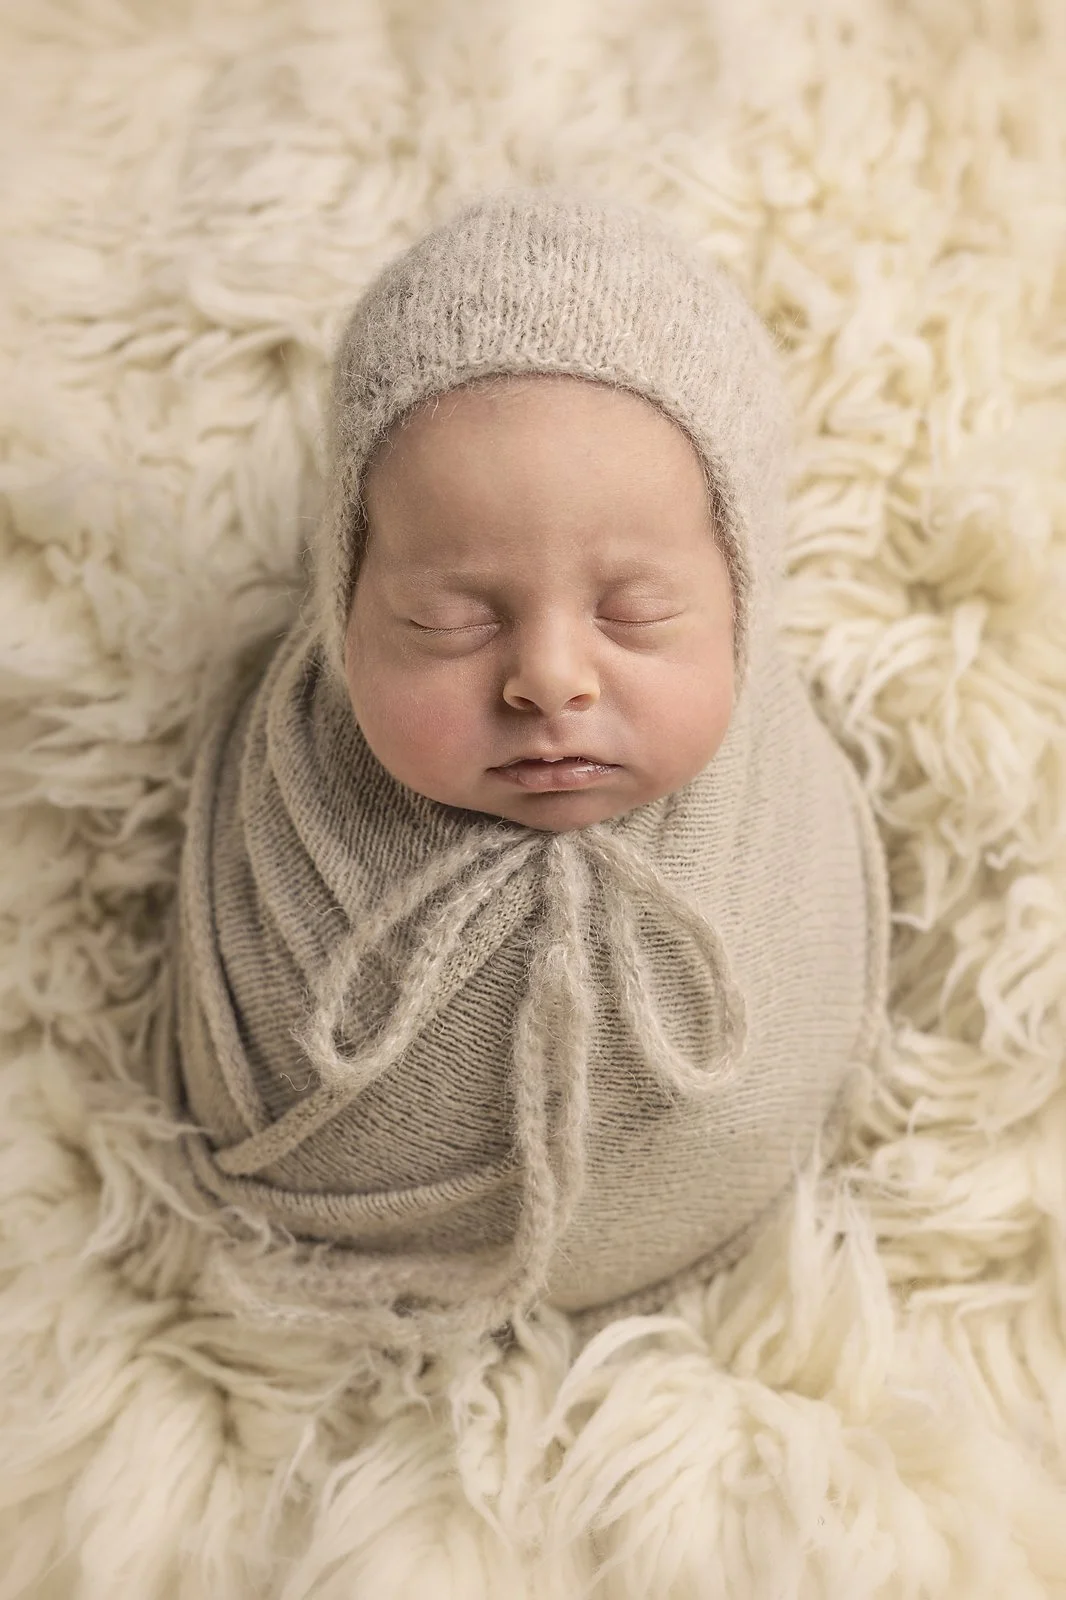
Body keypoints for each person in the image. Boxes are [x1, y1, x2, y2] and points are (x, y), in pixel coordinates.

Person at [148, 185, 891, 1359]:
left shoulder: (773, 842)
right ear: (344, 596)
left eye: (638, 613)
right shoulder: (287, 828)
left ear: (744, 594)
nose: (549, 680)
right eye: (446, 620)